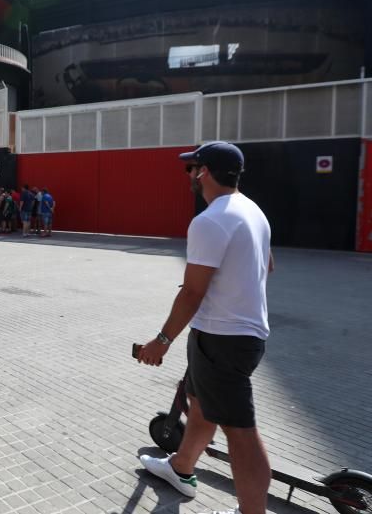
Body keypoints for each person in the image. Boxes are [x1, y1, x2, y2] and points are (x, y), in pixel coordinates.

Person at [137, 142, 273, 514]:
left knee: (239, 430)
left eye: (191, 169)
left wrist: (161, 340)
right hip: (230, 334)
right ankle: (181, 468)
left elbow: (194, 292)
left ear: (204, 173)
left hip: (223, 339)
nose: (189, 176)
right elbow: (267, 266)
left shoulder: (210, 220)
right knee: (199, 406)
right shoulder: (253, 211)